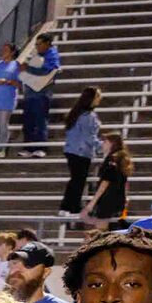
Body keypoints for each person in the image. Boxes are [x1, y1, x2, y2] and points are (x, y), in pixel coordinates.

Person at [60, 90, 107, 220]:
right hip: (81, 151)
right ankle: (73, 207)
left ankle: (66, 207)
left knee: (75, 179)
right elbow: (89, 137)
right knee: (79, 180)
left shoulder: (76, 113)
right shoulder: (88, 116)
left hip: (72, 150)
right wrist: (102, 147)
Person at [17, 34, 64, 149]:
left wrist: (27, 68)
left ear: (47, 43)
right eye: (36, 44)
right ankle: (28, 147)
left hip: (41, 94)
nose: (37, 46)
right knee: (28, 122)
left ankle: (40, 147)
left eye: (39, 44)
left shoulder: (52, 55)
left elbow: (48, 71)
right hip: (30, 94)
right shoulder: (37, 55)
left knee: (40, 122)